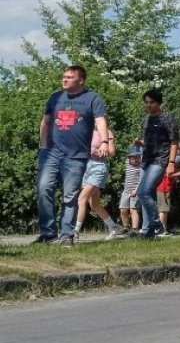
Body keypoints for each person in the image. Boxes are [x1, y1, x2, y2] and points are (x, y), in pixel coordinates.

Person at [35, 65, 110, 246]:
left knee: (70, 196)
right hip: (51, 153)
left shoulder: (92, 98)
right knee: (43, 188)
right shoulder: (55, 97)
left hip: (76, 156)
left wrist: (104, 142)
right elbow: (45, 123)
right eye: (64, 76)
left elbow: (101, 121)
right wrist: (44, 146)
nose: (65, 79)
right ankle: (48, 232)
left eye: (69, 77)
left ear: (81, 80)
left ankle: (66, 235)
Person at [134, 88, 180, 238]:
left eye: (151, 102)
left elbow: (174, 141)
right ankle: (148, 231)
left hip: (160, 160)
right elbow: (147, 141)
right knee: (147, 196)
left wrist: (171, 162)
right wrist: (140, 143)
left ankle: (158, 224)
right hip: (146, 159)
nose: (148, 105)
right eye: (146, 103)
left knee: (143, 191)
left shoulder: (166, 118)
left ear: (158, 103)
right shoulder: (145, 119)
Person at [74, 129, 127, 240]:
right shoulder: (87, 130)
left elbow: (112, 152)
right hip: (87, 168)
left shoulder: (107, 132)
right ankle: (113, 227)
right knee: (94, 204)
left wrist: (101, 151)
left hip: (99, 167)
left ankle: (75, 231)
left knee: (81, 199)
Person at [156, 154, 180, 234]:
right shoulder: (170, 164)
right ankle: (160, 230)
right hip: (162, 189)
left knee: (165, 210)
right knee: (163, 209)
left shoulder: (172, 164)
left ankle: (163, 229)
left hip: (166, 189)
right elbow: (169, 175)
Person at [120, 147, 143, 232]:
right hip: (126, 191)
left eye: (138, 157)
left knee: (133, 210)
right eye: (133, 157)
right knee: (123, 209)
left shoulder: (141, 167)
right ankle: (125, 227)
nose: (136, 159)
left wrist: (136, 191)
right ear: (129, 158)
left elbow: (141, 180)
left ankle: (135, 229)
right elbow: (133, 147)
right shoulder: (127, 163)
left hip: (136, 191)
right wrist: (136, 143)